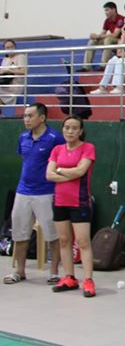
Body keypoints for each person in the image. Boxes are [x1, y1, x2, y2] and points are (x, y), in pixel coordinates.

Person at [4, 103, 62, 285]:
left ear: (42, 118)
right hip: (23, 192)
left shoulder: (55, 138)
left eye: (30, 115)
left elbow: (61, 163)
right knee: (20, 234)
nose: (26, 119)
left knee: (53, 235)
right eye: (25, 116)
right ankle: (19, 272)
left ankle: (54, 273)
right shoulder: (23, 138)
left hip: (46, 193)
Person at [46, 116, 97, 298]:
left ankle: (88, 280)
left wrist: (60, 170)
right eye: (67, 127)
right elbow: (49, 175)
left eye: (74, 128)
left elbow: (81, 171)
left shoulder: (88, 148)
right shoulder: (57, 150)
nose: (70, 131)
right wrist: (69, 173)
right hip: (59, 201)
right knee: (64, 240)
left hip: (79, 202)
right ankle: (69, 278)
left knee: (83, 242)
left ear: (80, 131)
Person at [91, 14, 125, 94]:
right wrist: (123, 37)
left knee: (120, 61)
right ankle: (102, 87)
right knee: (112, 61)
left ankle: (118, 87)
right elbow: (119, 52)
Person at [81, 1, 124, 70]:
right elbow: (102, 33)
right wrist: (95, 36)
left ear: (114, 9)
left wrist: (98, 36)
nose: (105, 12)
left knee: (108, 39)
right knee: (92, 41)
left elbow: (115, 35)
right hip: (111, 41)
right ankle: (86, 66)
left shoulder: (120, 19)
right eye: (105, 10)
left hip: (120, 41)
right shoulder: (107, 20)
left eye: (107, 10)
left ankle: (103, 65)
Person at [0, 39, 28, 106]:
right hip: (5, 84)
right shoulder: (5, 59)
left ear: (15, 47)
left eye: (12, 47)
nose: (10, 49)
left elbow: (24, 71)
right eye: (7, 47)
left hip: (15, 85)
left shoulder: (21, 56)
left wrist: (8, 70)